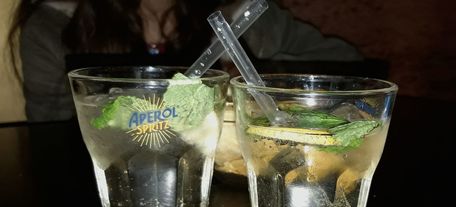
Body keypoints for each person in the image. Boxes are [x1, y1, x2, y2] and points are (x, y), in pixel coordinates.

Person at [8, 0, 363, 122]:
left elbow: (356, 72)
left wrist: (259, 76)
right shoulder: (54, 27)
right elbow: (50, 143)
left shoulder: (251, 22)